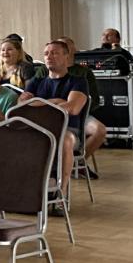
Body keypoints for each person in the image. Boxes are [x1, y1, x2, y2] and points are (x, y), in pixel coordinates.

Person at [20, 39, 89, 188]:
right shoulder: (36, 82)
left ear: (66, 57)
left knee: (64, 140)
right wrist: (57, 101)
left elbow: (73, 108)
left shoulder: (78, 82)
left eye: (54, 53)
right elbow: (22, 106)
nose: (49, 57)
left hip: (67, 129)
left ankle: (60, 190)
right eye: (46, 54)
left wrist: (39, 103)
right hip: (38, 128)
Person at [49, 35, 106, 174]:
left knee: (100, 130)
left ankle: (78, 163)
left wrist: (76, 107)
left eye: (64, 47)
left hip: (79, 115)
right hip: (51, 114)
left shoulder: (84, 72)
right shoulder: (44, 70)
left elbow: (93, 100)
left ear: (71, 51)